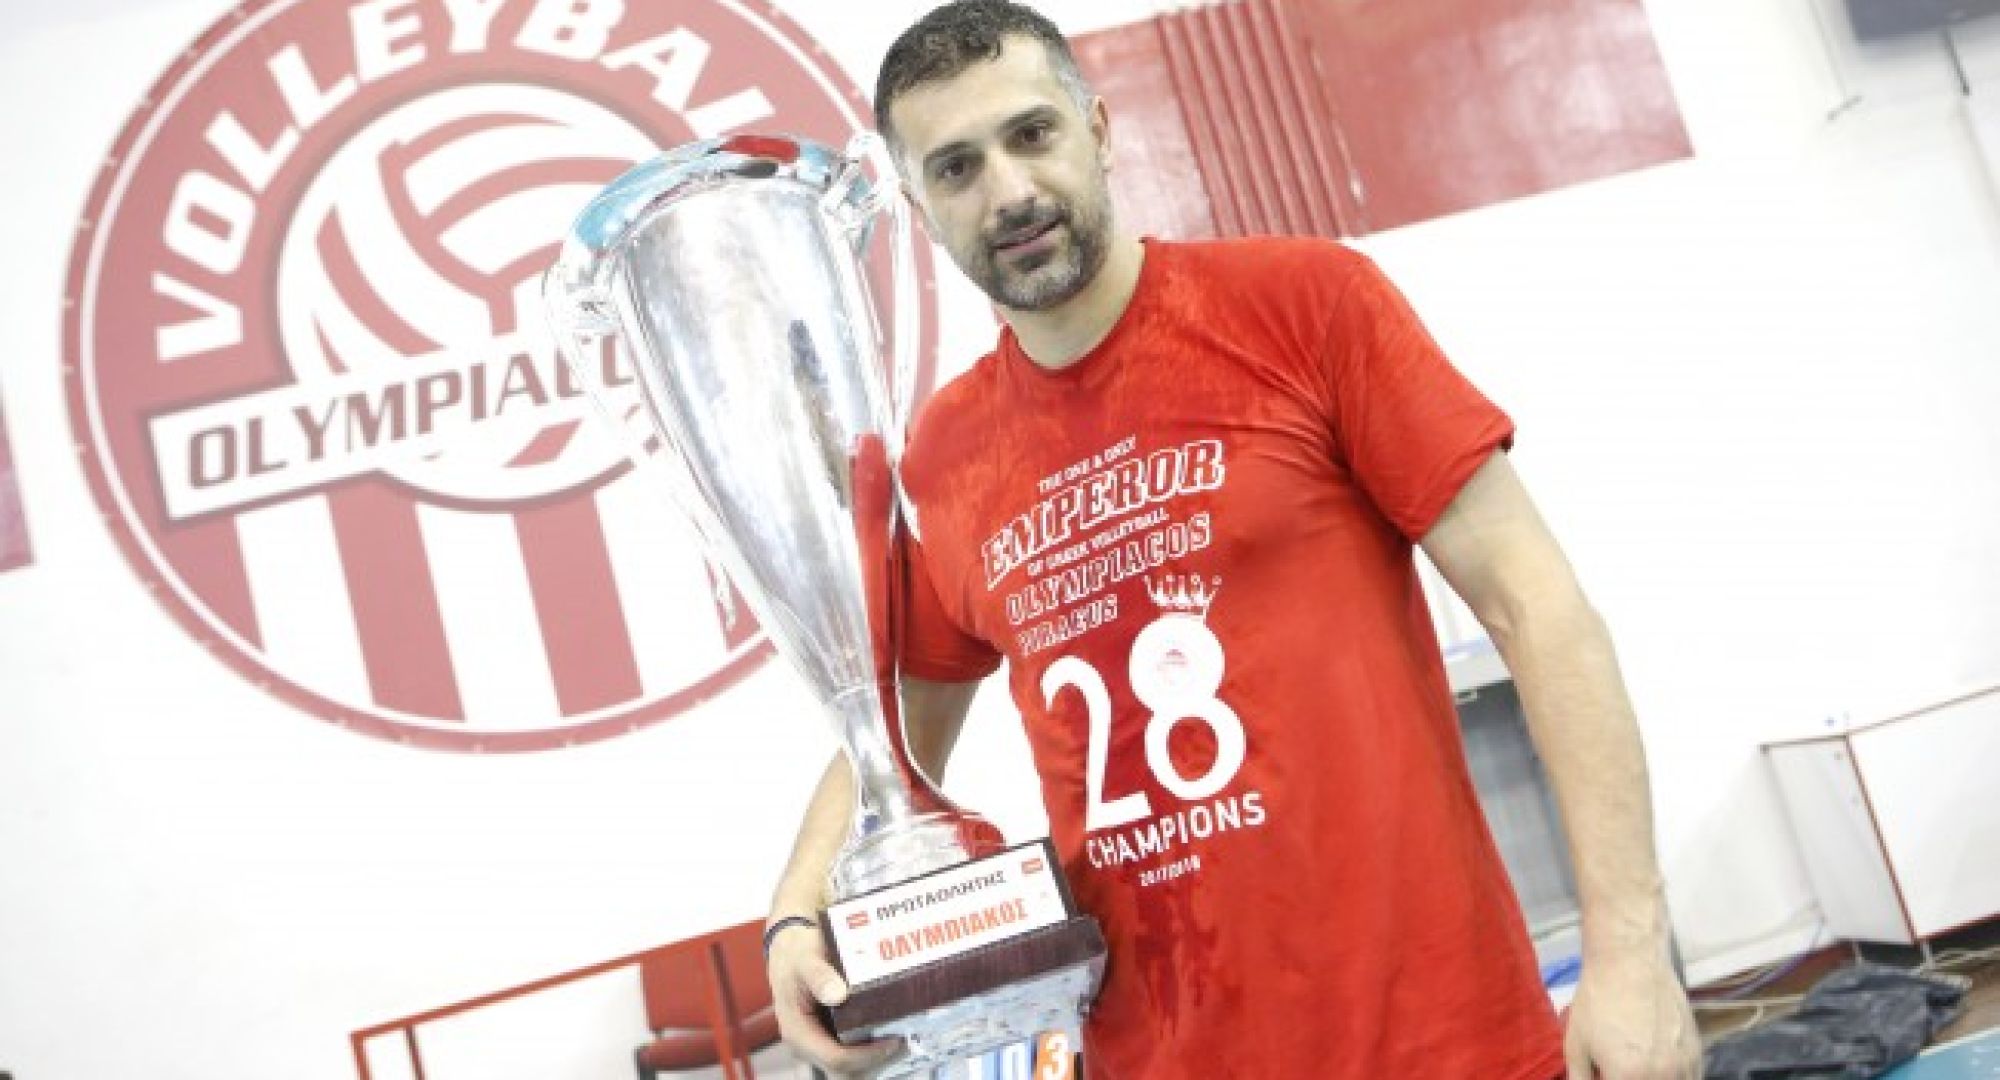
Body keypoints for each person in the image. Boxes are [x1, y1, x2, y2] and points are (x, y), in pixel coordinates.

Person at [762, 2, 1702, 1077]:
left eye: (1032, 134)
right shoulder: (947, 450)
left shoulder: (1305, 305)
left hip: (1441, 1045)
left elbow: (1538, 610)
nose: (1009, 191)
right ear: (920, 207)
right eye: (957, 167)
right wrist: (794, 911)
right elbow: (893, 732)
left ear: (1098, 132)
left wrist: (1630, 956)